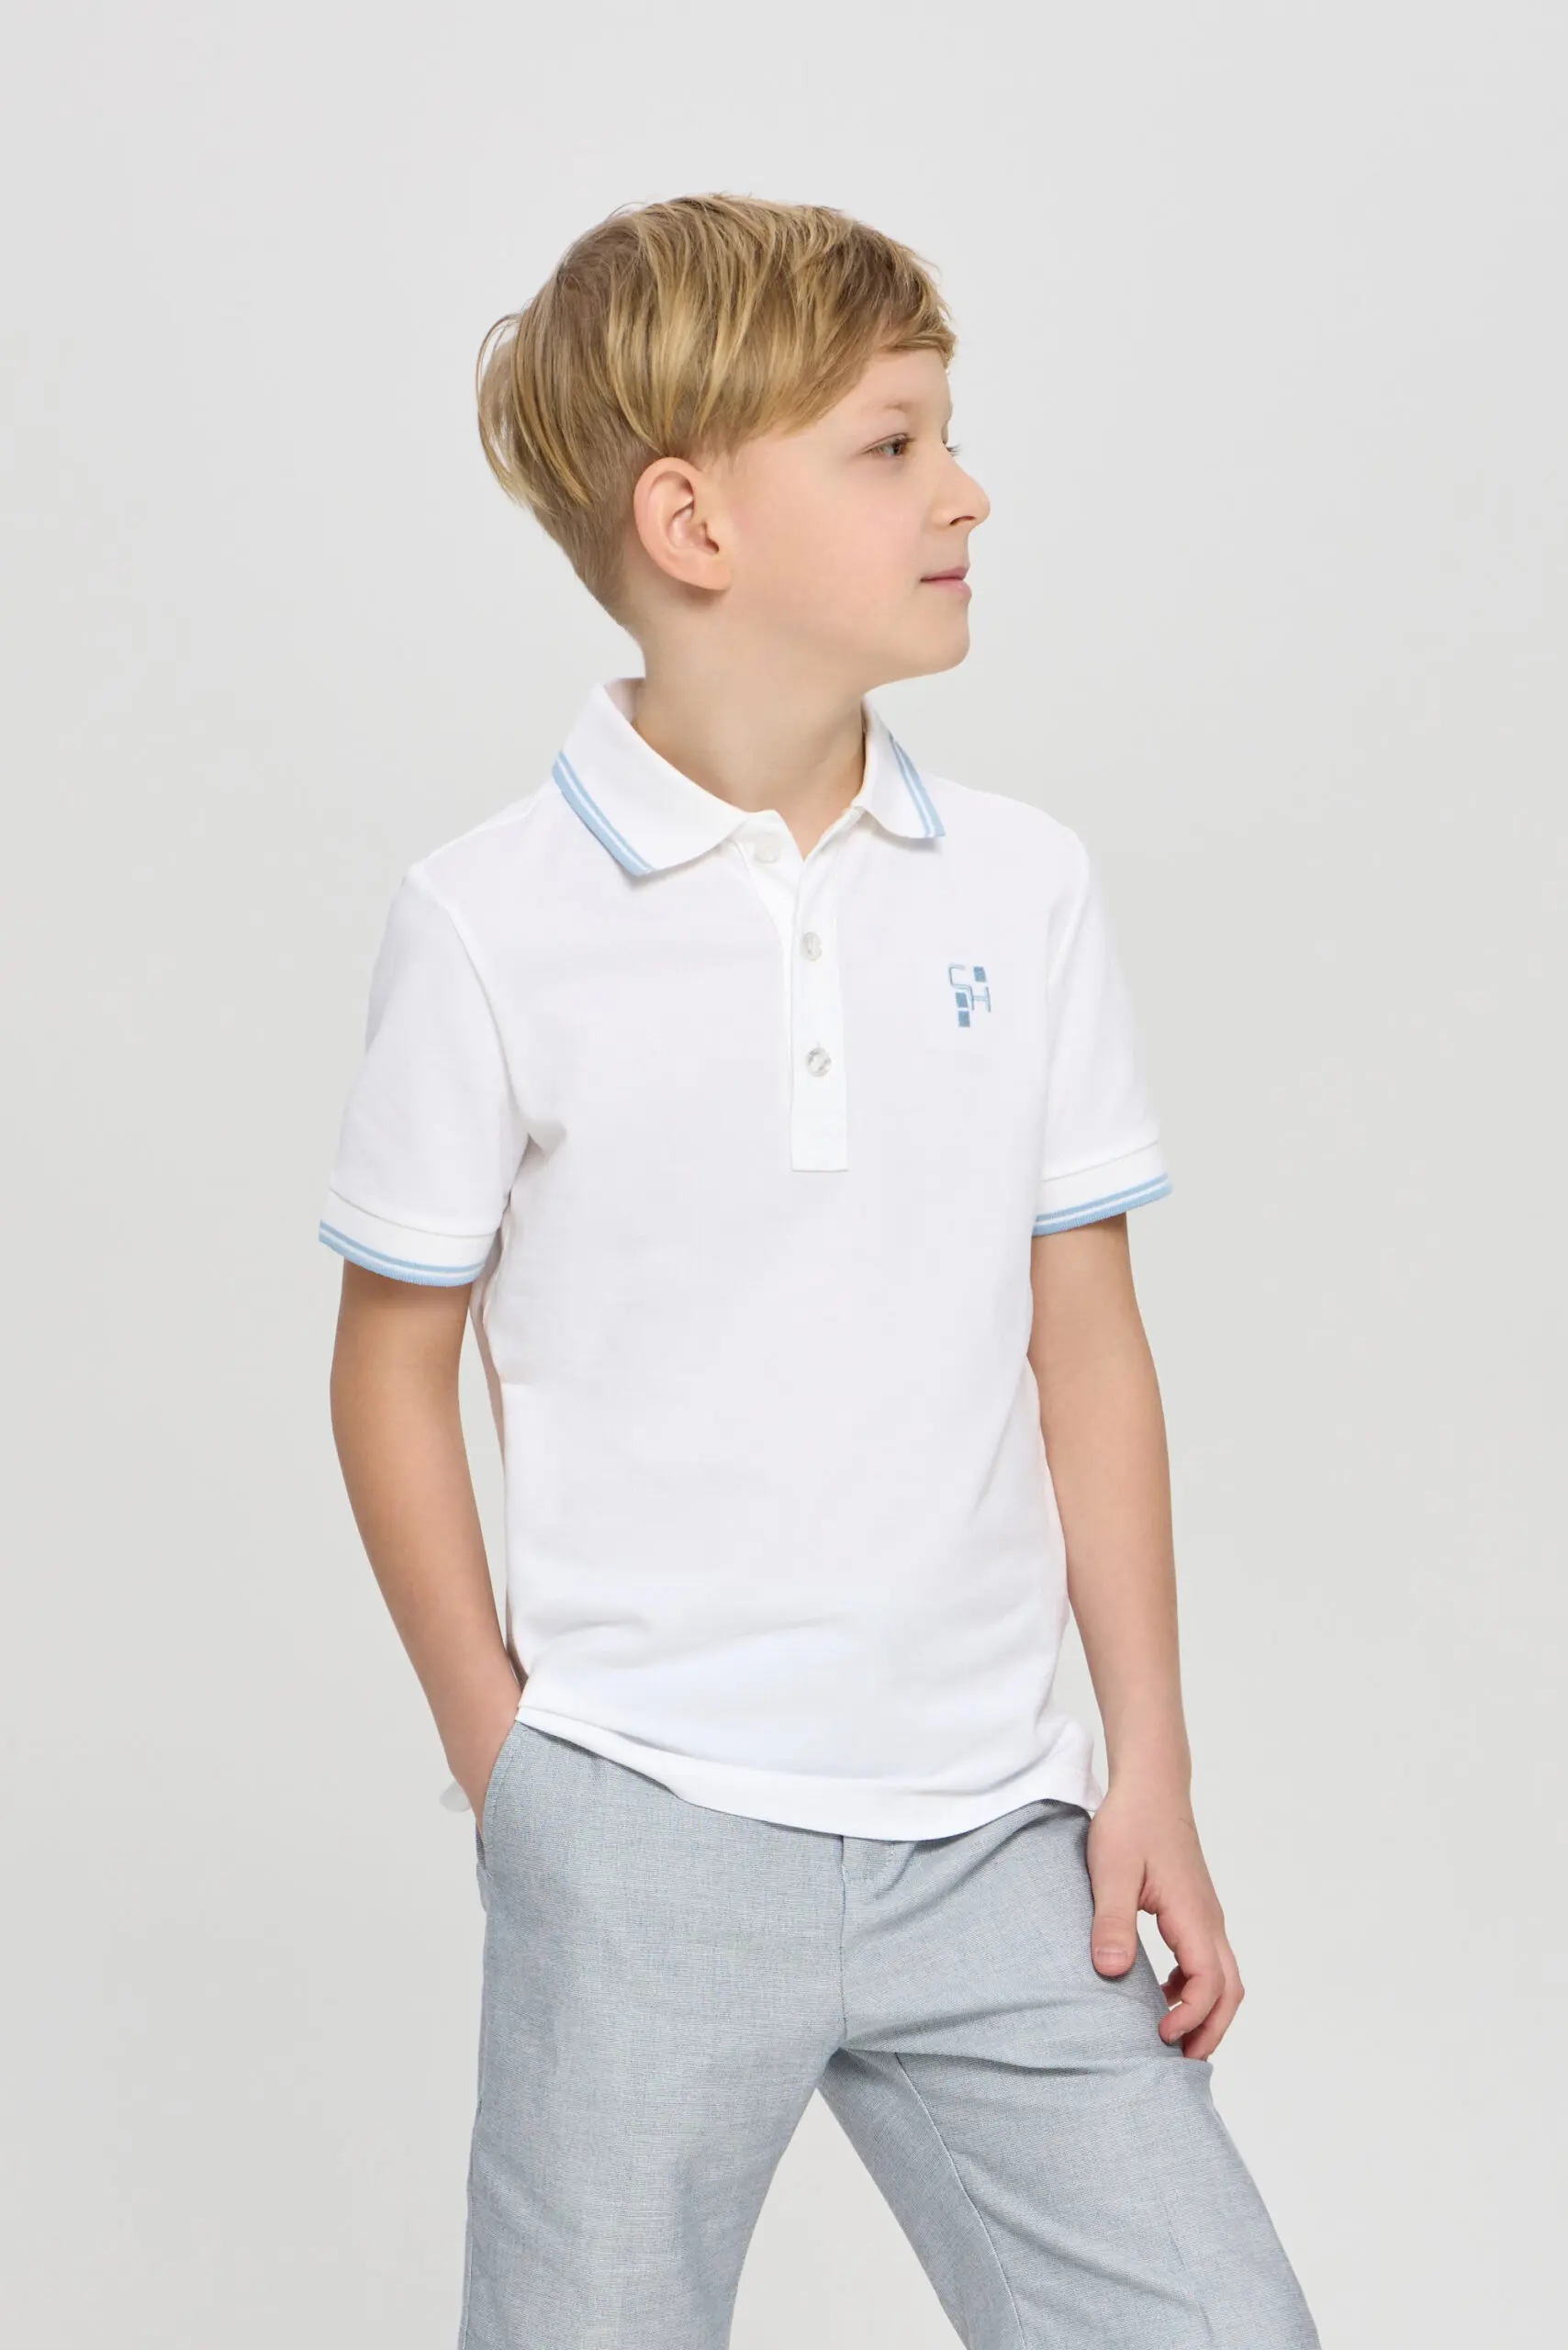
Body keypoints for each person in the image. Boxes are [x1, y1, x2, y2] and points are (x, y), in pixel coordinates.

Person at [319, 192, 1320, 2349]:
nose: (964, 490)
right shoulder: (491, 919)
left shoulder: (1021, 888)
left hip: (997, 1837)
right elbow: (390, 1359)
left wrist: (1143, 1762)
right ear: (691, 520)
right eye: (890, 445)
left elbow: (1083, 1340)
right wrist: (509, 1763)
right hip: (643, 1826)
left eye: (943, 433)